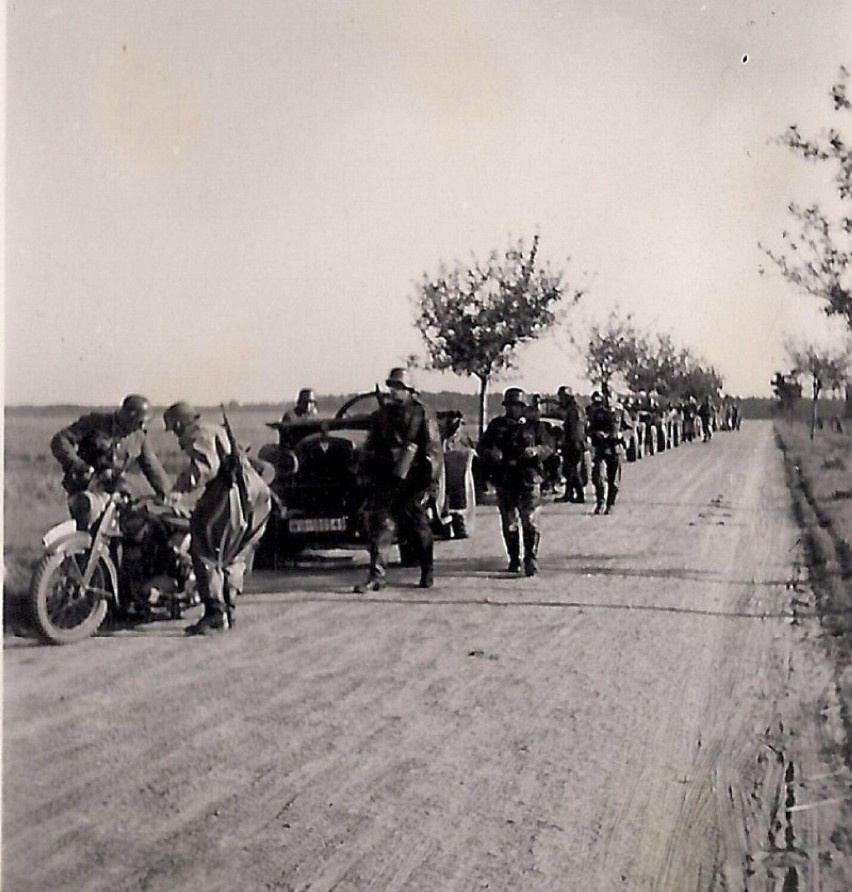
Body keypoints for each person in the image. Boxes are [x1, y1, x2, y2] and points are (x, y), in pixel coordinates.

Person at [354, 367, 442, 593]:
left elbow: (433, 450)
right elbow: (370, 446)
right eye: (392, 387)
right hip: (386, 479)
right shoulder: (381, 415)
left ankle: (427, 571)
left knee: (419, 528)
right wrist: (365, 472)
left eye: (399, 387)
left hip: (413, 480)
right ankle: (376, 576)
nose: (394, 392)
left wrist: (429, 484)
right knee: (380, 527)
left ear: (410, 390)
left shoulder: (422, 413)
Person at [183, 414, 272, 636]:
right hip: (256, 495)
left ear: (177, 424)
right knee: (236, 555)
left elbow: (204, 467)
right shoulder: (216, 429)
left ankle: (214, 612)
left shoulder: (198, 433)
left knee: (206, 550)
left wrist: (176, 491)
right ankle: (228, 610)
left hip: (233, 494)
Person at [51, 394, 170, 526]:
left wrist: (167, 494)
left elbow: (151, 466)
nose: (141, 426)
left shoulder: (139, 437)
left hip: (116, 493)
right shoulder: (95, 423)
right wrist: (77, 464)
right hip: (86, 491)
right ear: (127, 416)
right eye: (139, 422)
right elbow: (60, 440)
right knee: (88, 531)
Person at [478, 388, 554, 576]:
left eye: (517, 406)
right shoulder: (496, 426)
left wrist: (536, 450)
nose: (513, 409)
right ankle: (514, 558)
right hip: (505, 479)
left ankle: (531, 558)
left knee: (530, 521)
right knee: (509, 522)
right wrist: (492, 454)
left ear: (524, 407)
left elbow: (549, 447)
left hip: (529, 478)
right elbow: (483, 447)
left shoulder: (536, 426)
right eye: (510, 405)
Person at [163, 401, 231, 504]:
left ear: (178, 426)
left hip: (234, 489)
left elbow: (206, 466)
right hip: (244, 485)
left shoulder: (197, 434)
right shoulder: (210, 429)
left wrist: (179, 489)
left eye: (173, 430)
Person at [586, 386, 632, 515]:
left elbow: (630, 429)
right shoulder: (598, 412)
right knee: (598, 477)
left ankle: (610, 504)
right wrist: (596, 433)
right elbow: (590, 428)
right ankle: (600, 502)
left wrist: (622, 435)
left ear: (615, 397)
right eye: (605, 396)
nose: (607, 399)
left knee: (614, 480)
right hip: (601, 447)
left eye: (609, 396)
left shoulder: (620, 412)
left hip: (615, 448)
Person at [554, 385, 586, 503]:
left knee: (570, 470)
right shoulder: (577, 408)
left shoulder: (573, 410)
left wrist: (566, 443)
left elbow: (573, 429)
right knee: (569, 470)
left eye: (562, 397)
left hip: (573, 443)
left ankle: (579, 494)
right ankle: (569, 494)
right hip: (577, 442)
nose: (560, 399)